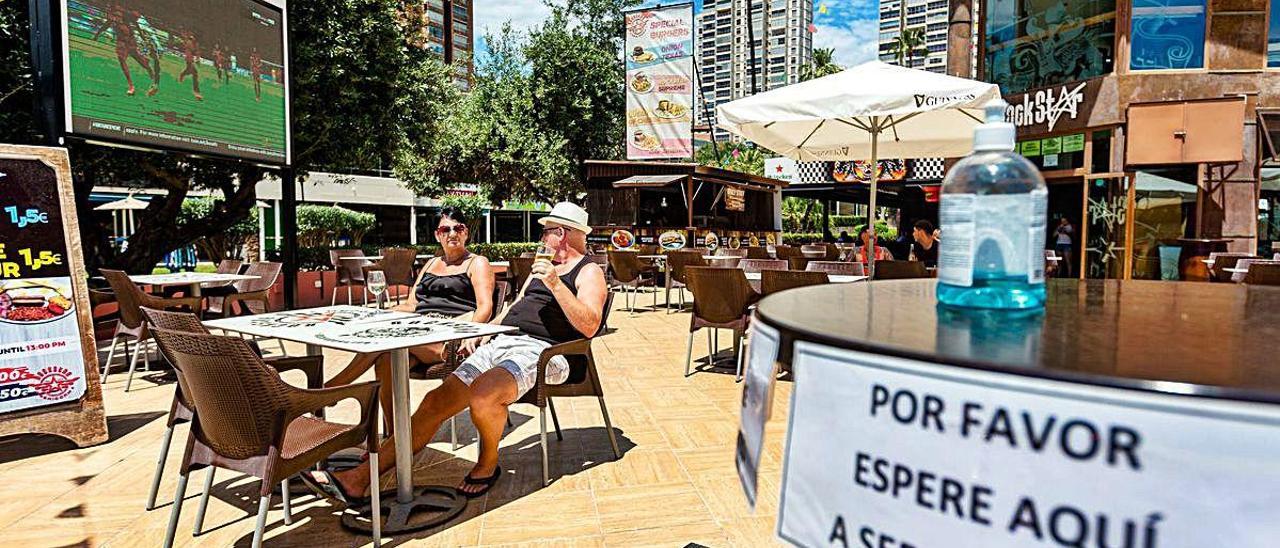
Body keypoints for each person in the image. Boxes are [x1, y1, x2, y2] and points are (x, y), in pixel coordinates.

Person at [305, 202, 608, 502]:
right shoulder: (542, 268)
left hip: (546, 352)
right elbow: (513, 309)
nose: (542, 238)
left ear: (563, 234)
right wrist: (486, 331)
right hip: (503, 341)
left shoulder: (588, 271)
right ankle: (359, 480)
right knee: (434, 402)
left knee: (483, 393)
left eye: (546, 232)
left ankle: (487, 464)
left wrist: (556, 285)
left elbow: (591, 325)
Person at [322, 208, 496, 416]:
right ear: (437, 235)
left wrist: (469, 336)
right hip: (418, 332)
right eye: (445, 229)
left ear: (466, 233)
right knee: (386, 359)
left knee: (386, 340)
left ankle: (331, 389)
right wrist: (382, 315)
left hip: (448, 338)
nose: (452, 233)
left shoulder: (477, 263)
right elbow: (412, 304)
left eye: (458, 228)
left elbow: (485, 306)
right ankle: (394, 436)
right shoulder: (432, 263)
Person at [92, 3, 154, 96]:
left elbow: (135, 23)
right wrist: (97, 35)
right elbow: (106, 25)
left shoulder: (124, 14)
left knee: (139, 59)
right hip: (120, 41)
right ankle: (131, 86)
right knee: (122, 60)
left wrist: (141, 35)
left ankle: (148, 66)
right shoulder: (111, 16)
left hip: (130, 40)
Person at [176, 30, 202, 100]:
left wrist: (198, 59)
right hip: (189, 58)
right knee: (194, 73)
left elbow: (197, 51)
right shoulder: (189, 42)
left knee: (190, 71)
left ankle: (182, 74)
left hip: (191, 58)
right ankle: (196, 92)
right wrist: (193, 59)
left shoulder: (195, 43)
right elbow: (190, 50)